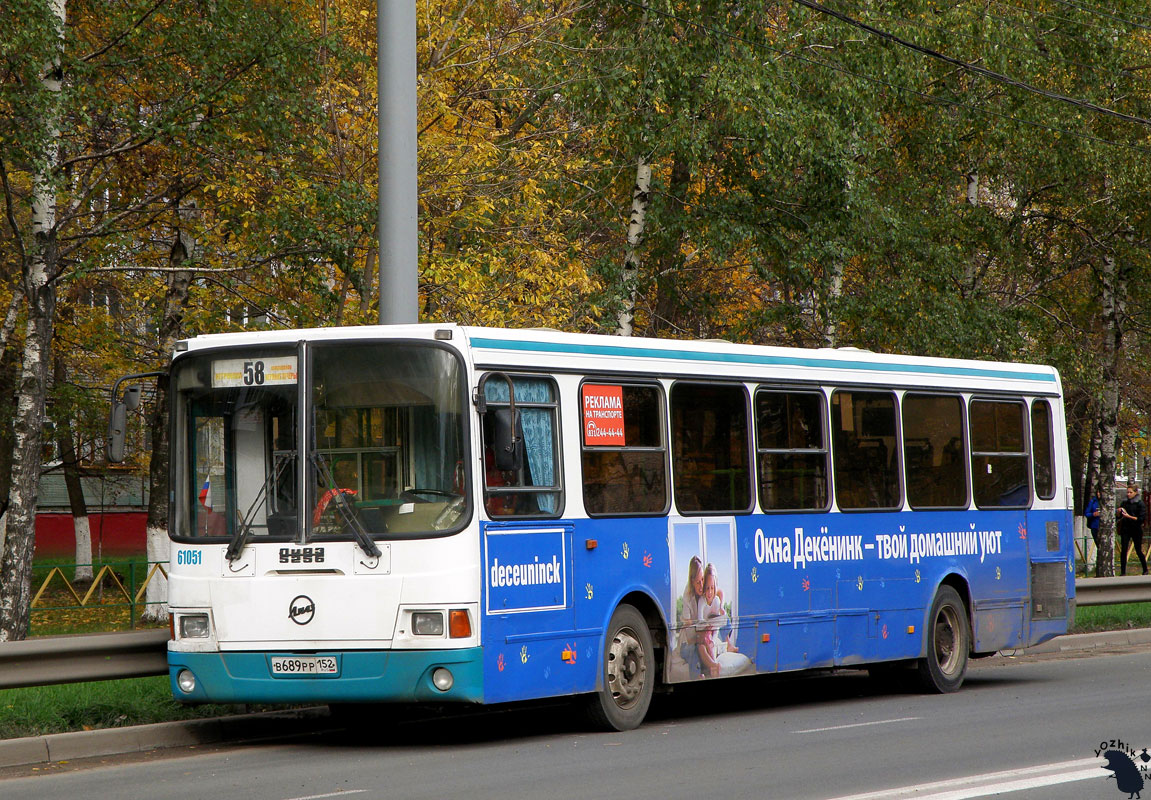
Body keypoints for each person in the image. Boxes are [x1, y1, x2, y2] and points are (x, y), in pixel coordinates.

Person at [677, 556, 705, 677]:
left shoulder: (706, 590)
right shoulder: (687, 595)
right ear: (692, 581)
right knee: (695, 648)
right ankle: (698, 677)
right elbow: (689, 633)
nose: (701, 585)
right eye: (698, 582)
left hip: (702, 636)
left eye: (703, 580)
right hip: (687, 643)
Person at [1117, 485, 1148, 576]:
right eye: (1127, 492)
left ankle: (1145, 569)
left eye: (1131, 492)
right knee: (1124, 550)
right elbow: (1119, 516)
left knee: (1138, 550)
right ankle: (1123, 572)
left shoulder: (1140, 503)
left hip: (1136, 528)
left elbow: (1140, 519)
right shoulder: (1125, 502)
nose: (1129, 494)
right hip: (1126, 528)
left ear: (1135, 492)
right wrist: (1119, 512)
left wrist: (1128, 516)